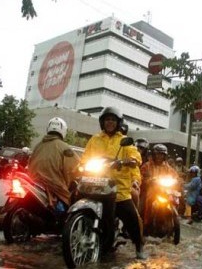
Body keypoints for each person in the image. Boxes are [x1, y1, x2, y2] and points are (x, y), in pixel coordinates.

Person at [81, 107, 146, 260]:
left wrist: (130, 161)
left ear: (118, 123)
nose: (110, 122)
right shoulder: (94, 139)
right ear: (102, 122)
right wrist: (81, 166)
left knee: (132, 217)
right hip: (95, 184)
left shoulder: (124, 141)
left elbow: (135, 157)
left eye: (113, 120)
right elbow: (84, 158)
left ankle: (139, 245)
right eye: (107, 119)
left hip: (118, 189)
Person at [27, 117, 80, 216]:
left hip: (33, 182)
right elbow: (73, 168)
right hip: (54, 186)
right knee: (67, 203)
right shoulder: (65, 147)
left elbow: (29, 163)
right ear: (63, 131)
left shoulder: (38, 146)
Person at [139, 144, 180, 233]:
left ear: (164, 156)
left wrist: (177, 180)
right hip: (150, 190)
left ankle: (172, 218)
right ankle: (145, 224)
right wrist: (149, 180)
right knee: (144, 204)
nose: (159, 156)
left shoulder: (168, 167)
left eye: (161, 154)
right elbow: (141, 176)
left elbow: (175, 176)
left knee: (176, 198)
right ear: (153, 155)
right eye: (157, 154)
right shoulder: (147, 165)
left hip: (165, 190)